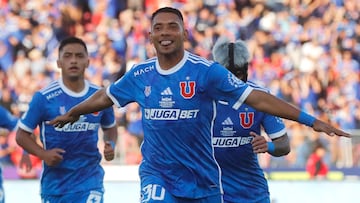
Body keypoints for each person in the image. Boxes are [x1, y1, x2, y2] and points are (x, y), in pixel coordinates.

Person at [48, 7, 350, 202]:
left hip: (205, 181)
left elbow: (257, 98)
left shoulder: (207, 73)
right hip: (158, 173)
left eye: (172, 26)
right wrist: (75, 111)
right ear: (151, 34)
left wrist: (311, 120)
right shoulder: (140, 74)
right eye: (159, 27)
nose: (165, 32)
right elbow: (105, 96)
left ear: (184, 32)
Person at [15, 36, 118, 203]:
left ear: (87, 62)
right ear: (58, 63)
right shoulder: (44, 98)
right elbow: (21, 135)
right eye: (68, 56)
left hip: (90, 181)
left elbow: (110, 127)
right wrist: (43, 154)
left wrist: (110, 144)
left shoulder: (100, 97)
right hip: (55, 186)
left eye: (79, 56)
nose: (73, 61)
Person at [212, 37, 290, 203]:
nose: (234, 82)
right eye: (229, 76)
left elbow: (284, 145)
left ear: (244, 72)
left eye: (238, 75)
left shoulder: (261, 98)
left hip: (251, 194)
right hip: (210, 192)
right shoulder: (201, 97)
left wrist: (267, 145)